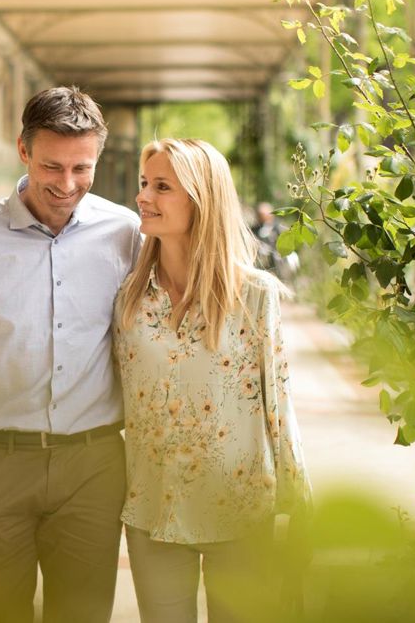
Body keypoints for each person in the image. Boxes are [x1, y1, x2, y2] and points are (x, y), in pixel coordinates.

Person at [0, 86, 141, 623]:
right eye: (51, 166)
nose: (66, 185)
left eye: (82, 168)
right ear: (23, 150)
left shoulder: (126, 235)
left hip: (95, 466)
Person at [115, 139, 312, 623]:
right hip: (153, 510)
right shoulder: (129, 299)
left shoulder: (255, 296)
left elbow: (278, 405)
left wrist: (301, 505)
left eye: (162, 187)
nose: (143, 197)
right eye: (144, 184)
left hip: (242, 511)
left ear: (202, 200)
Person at [251, 201, 297, 283]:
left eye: (263, 215)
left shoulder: (279, 228)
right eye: (259, 215)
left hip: (277, 265)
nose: (261, 217)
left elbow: (286, 246)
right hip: (259, 266)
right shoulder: (254, 230)